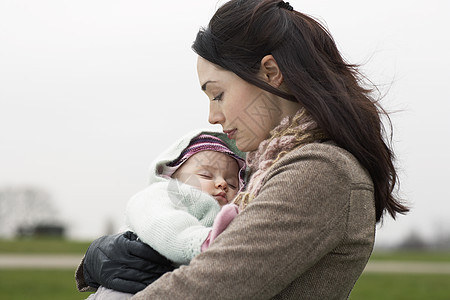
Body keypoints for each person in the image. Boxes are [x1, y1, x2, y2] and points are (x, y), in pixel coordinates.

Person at [76, 0, 409, 299]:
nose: (213, 116)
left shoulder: (320, 170)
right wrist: (101, 261)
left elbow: (204, 288)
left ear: (270, 72)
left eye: (217, 94)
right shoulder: (265, 169)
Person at [79, 130, 246, 299]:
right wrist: (201, 241)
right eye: (206, 175)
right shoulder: (163, 194)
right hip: (125, 290)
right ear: (172, 178)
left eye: (232, 184)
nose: (222, 183)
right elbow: (162, 222)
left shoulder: (231, 215)